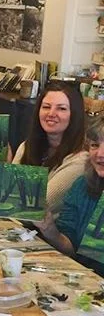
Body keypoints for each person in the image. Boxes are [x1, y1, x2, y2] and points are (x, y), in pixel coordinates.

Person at [36, 115, 104, 276]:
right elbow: (70, 249)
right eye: (95, 145)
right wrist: (49, 229)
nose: (100, 154)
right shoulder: (82, 185)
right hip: (83, 280)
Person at [11, 80, 87, 218]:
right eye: (46, 107)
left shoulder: (80, 160)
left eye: (61, 108)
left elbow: (38, 205)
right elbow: (7, 189)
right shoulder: (27, 146)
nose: (51, 113)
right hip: (15, 223)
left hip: (47, 230)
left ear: (74, 115)